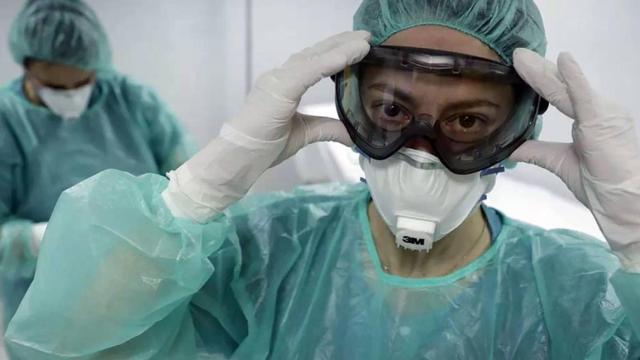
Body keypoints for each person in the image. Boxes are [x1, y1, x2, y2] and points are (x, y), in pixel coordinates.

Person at [6, 0, 640, 358]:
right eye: (392, 111)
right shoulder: (267, 252)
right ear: (350, 105)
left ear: (519, 129)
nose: (421, 151)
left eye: (468, 120)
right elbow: (68, 346)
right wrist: (194, 196)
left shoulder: (583, 298)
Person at [0, 0, 195, 329]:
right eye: (56, 87)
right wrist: (49, 237)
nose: (72, 95)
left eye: (82, 83)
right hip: (48, 304)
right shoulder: (7, 122)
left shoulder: (133, 101)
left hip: (143, 287)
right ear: (27, 68)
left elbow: (187, 177)